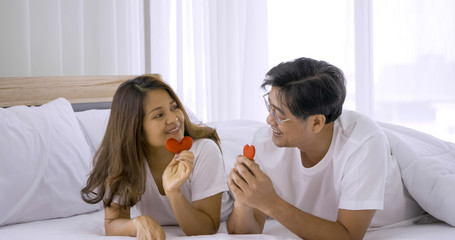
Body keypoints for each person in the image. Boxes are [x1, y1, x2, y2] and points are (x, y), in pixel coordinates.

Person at [226, 57, 424, 240]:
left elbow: (349, 235)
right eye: (269, 107)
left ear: (316, 123)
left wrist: (271, 203)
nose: (269, 120)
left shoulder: (363, 144)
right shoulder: (265, 142)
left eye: (278, 114)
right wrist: (243, 200)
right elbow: (246, 232)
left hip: (395, 220)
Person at [81, 74, 232, 239]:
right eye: (159, 115)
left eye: (174, 107)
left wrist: (173, 192)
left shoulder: (204, 151)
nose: (174, 119)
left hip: (233, 200)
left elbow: (206, 230)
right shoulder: (122, 160)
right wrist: (137, 223)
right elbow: (112, 224)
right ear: (135, 128)